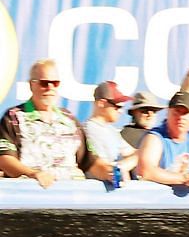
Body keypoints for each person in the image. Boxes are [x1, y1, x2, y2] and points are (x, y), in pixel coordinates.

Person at [0, 58, 112, 187]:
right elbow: (4, 159)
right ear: (32, 85)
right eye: (44, 83)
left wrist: (110, 173)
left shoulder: (69, 119)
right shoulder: (13, 118)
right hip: (28, 199)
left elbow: (91, 162)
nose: (50, 88)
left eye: (55, 83)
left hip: (69, 199)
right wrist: (33, 174)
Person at [135, 90, 189, 191]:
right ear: (168, 113)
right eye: (176, 112)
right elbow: (146, 171)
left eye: (185, 113)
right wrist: (184, 179)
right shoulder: (155, 138)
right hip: (159, 202)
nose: (180, 118)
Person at [83, 81, 136, 175]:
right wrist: (125, 166)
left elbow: (134, 153)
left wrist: (125, 165)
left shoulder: (111, 130)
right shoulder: (89, 131)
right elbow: (106, 170)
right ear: (101, 103)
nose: (121, 111)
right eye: (117, 106)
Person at [121, 91, 163, 157]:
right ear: (134, 113)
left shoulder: (159, 134)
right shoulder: (125, 135)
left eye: (154, 111)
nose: (150, 115)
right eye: (145, 111)